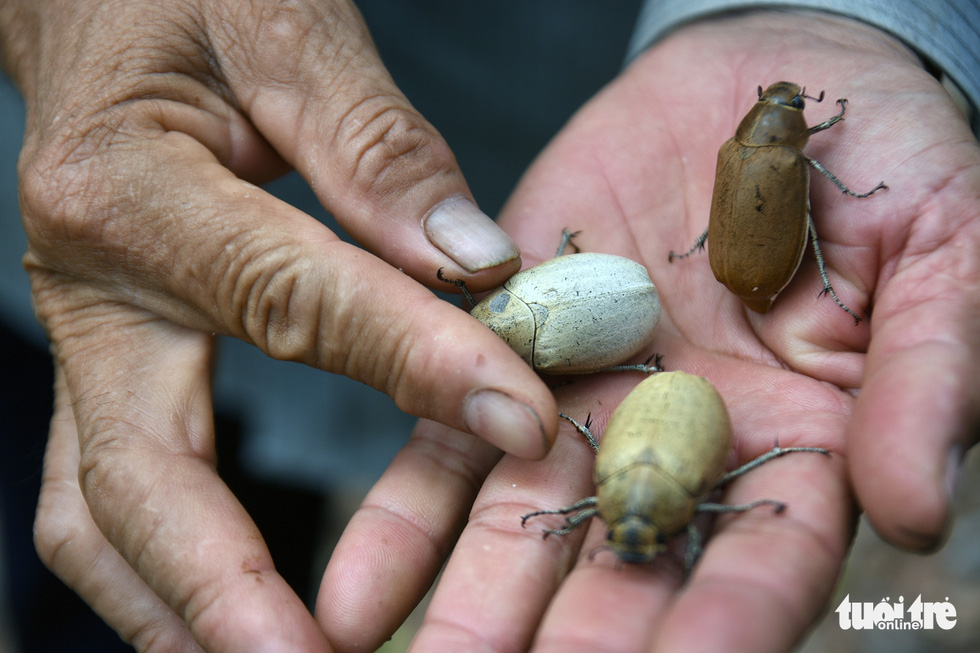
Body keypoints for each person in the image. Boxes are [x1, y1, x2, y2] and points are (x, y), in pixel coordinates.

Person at [1, 0, 977, 651]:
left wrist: (851, 9)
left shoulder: (747, 150)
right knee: (122, 558)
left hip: (584, 107)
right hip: (120, 220)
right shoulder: (759, 158)